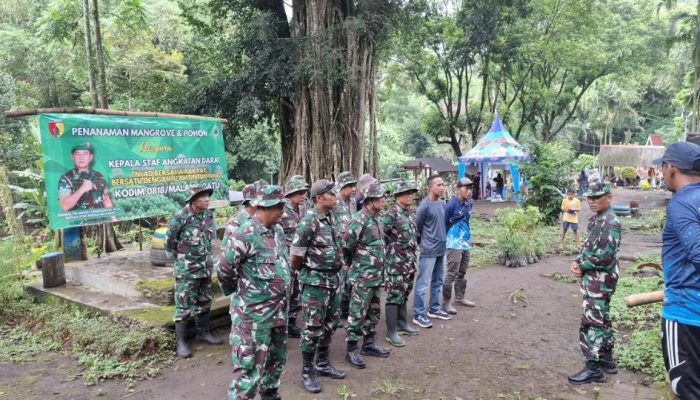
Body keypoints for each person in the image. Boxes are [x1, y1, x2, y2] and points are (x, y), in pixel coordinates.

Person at [217, 185, 290, 400]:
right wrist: (241, 294)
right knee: (248, 371)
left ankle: (270, 394)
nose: (282, 212)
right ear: (264, 207)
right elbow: (224, 269)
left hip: (278, 313)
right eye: (278, 207)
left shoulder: (278, 231)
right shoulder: (244, 234)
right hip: (253, 317)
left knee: (276, 363)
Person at [290, 180, 346, 393]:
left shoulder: (332, 219)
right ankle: (307, 371)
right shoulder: (309, 222)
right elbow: (295, 257)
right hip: (315, 284)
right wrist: (309, 273)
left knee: (330, 324)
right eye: (330, 193)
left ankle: (323, 363)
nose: (334, 196)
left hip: (334, 281)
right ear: (319, 198)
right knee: (312, 328)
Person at [655, 142, 700, 398]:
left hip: (686, 315)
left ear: (671, 168)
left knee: (687, 390)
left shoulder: (681, 204)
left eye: (662, 167)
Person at [568, 180, 621, 385]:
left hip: (601, 280)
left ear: (609, 197)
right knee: (603, 319)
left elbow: (606, 257)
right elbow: (588, 248)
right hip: (595, 279)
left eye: (597, 197)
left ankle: (593, 368)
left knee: (591, 322)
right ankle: (607, 361)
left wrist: (583, 266)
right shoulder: (596, 220)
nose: (592, 201)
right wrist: (577, 260)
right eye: (590, 197)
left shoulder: (610, 222)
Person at [166, 186, 223, 359]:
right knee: (184, 306)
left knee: (205, 301)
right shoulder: (180, 217)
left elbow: (208, 240)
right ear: (194, 200)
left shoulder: (208, 215)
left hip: (205, 267)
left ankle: (203, 333)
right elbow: (170, 242)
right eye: (204, 196)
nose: (207, 199)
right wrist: (180, 261)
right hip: (187, 270)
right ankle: (181, 342)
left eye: (207, 196)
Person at [343, 182, 391, 369]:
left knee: (373, 311)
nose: (384, 201)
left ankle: (369, 344)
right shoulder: (359, 220)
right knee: (357, 313)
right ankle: (352, 349)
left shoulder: (377, 218)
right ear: (370, 202)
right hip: (362, 276)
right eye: (381, 199)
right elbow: (347, 245)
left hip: (376, 276)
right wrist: (352, 264)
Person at [382, 180, 420, 347]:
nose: (411, 196)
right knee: (393, 297)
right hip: (395, 264)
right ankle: (391, 333)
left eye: (411, 193)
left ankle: (402, 324)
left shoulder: (408, 213)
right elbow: (382, 236)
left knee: (404, 293)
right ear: (398, 196)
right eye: (407, 193)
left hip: (409, 262)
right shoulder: (391, 214)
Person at [413, 175, 452, 328]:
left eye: (443, 185)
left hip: (441, 249)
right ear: (430, 187)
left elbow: (445, 224)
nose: (442, 187)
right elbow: (418, 227)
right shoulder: (424, 205)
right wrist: (423, 243)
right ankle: (419, 314)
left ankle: (434, 309)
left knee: (438, 281)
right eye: (438, 185)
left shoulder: (443, 204)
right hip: (428, 250)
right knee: (423, 283)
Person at [281, 176, 309, 338]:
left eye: (304, 192)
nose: (303, 195)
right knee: (286, 292)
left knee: (297, 292)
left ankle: (291, 323)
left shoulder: (304, 208)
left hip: (300, 258)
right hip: (286, 258)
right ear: (290, 193)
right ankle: (281, 325)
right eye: (299, 192)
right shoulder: (282, 211)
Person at [443, 177, 476, 315]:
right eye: (466, 189)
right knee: (452, 272)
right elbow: (444, 223)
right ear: (457, 190)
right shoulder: (451, 205)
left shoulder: (469, 203)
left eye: (470, 189)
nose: (469, 191)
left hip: (465, 241)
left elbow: (467, 221)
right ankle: (446, 303)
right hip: (453, 242)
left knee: (462, 271)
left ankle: (460, 298)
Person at [58, 143, 115, 212]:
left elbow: (106, 199)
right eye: (77, 154)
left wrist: (113, 218)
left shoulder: (99, 176)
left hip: (100, 221)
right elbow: (65, 206)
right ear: (72, 157)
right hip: (79, 221)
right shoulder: (65, 178)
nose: (81, 157)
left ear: (90, 157)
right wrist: (82, 189)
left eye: (85, 153)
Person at [334, 172, 358, 320]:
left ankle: (345, 310)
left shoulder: (353, 202)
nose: (353, 189)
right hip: (338, 248)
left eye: (354, 185)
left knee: (349, 281)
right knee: (340, 282)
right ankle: (337, 313)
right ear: (342, 187)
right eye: (350, 186)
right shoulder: (334, 203)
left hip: (351, 247)